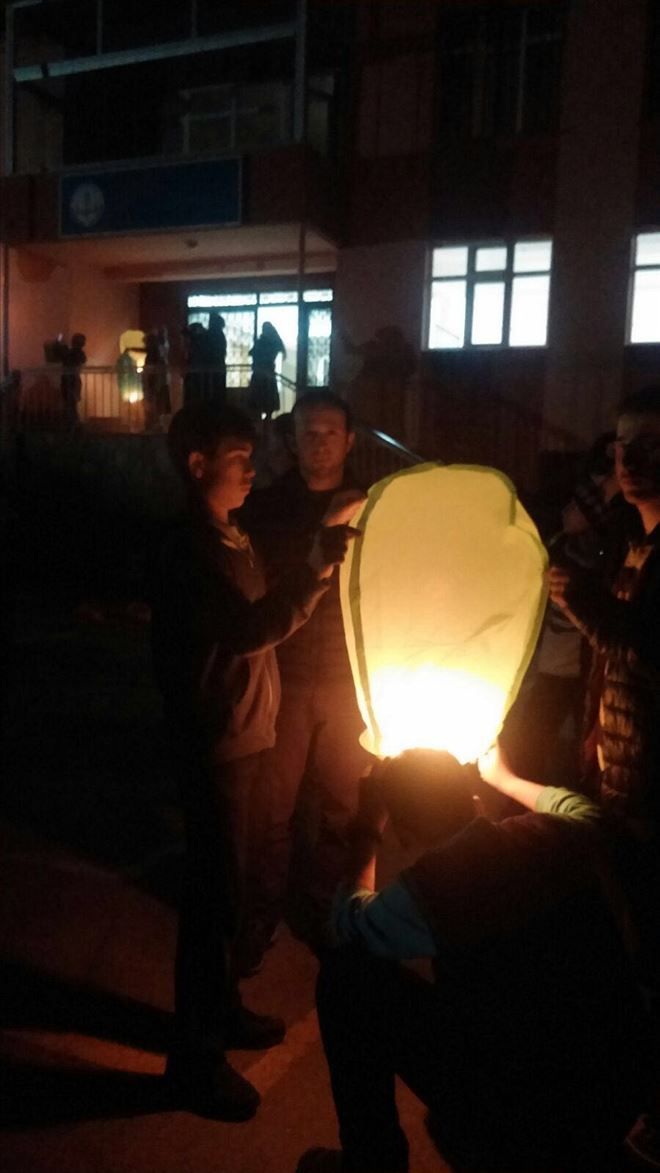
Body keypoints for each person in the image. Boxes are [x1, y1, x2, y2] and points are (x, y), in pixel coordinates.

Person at [150, 402, 362, 1122]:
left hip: (244, 734)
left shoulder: (232, 534)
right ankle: (194, 1061)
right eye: (239, 457)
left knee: (230, 887)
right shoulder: (189, 549)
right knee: (211, 901)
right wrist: (314, 569)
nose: (253, 467)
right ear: (198, 465)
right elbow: (247, 629)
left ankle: (221, 1009)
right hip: (215, 742)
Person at [297, 747, 650, 1173]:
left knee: (345, 979)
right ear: (476, 802)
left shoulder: (436, 885)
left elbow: (345, 924)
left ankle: (373, 1163)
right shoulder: (560, 833)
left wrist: (368, 827)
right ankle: (595, 1149)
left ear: (403, 835)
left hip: (529, 1118)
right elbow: (579, 808)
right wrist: (505, 777)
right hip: (622, 1085)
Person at [241, 390, 372, 959]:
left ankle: (321, 906)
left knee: (344, 805)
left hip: (349, 680)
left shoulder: (374, 509)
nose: (319, 443)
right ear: (292, 440)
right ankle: (263, 910)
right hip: (285, 675)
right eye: (308, 432)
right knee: (273, 808)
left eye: (329, 432)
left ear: (350, 440)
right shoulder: (266, 509)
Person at [247, 321, 286, 421]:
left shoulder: (262, 342)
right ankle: (267, 421)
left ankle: (260, 422)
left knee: (258, 399)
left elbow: (251, 353)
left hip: (259, 374)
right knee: (268, 400)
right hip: (269, 374)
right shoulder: (274, 342)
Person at [60, 332, 86, 429]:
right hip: (71, 380)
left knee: (70, 403)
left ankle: (72, 423)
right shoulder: (73, 353)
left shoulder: (71, 352)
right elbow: (82, 360)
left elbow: (82, 360)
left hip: (70, 380)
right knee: (71, 403)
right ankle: (72, 423)